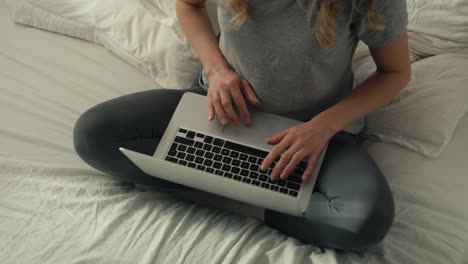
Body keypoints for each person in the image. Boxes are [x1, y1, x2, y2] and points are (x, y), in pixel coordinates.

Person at [73, 0, 411, 252]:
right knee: (93, 135)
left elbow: (395, 73)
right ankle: (234, 186)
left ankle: (237, 193)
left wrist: (323, 127)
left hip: (317, 132)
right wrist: (217, 70)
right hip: (221, 110)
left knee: (366, 224)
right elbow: (189, 6)